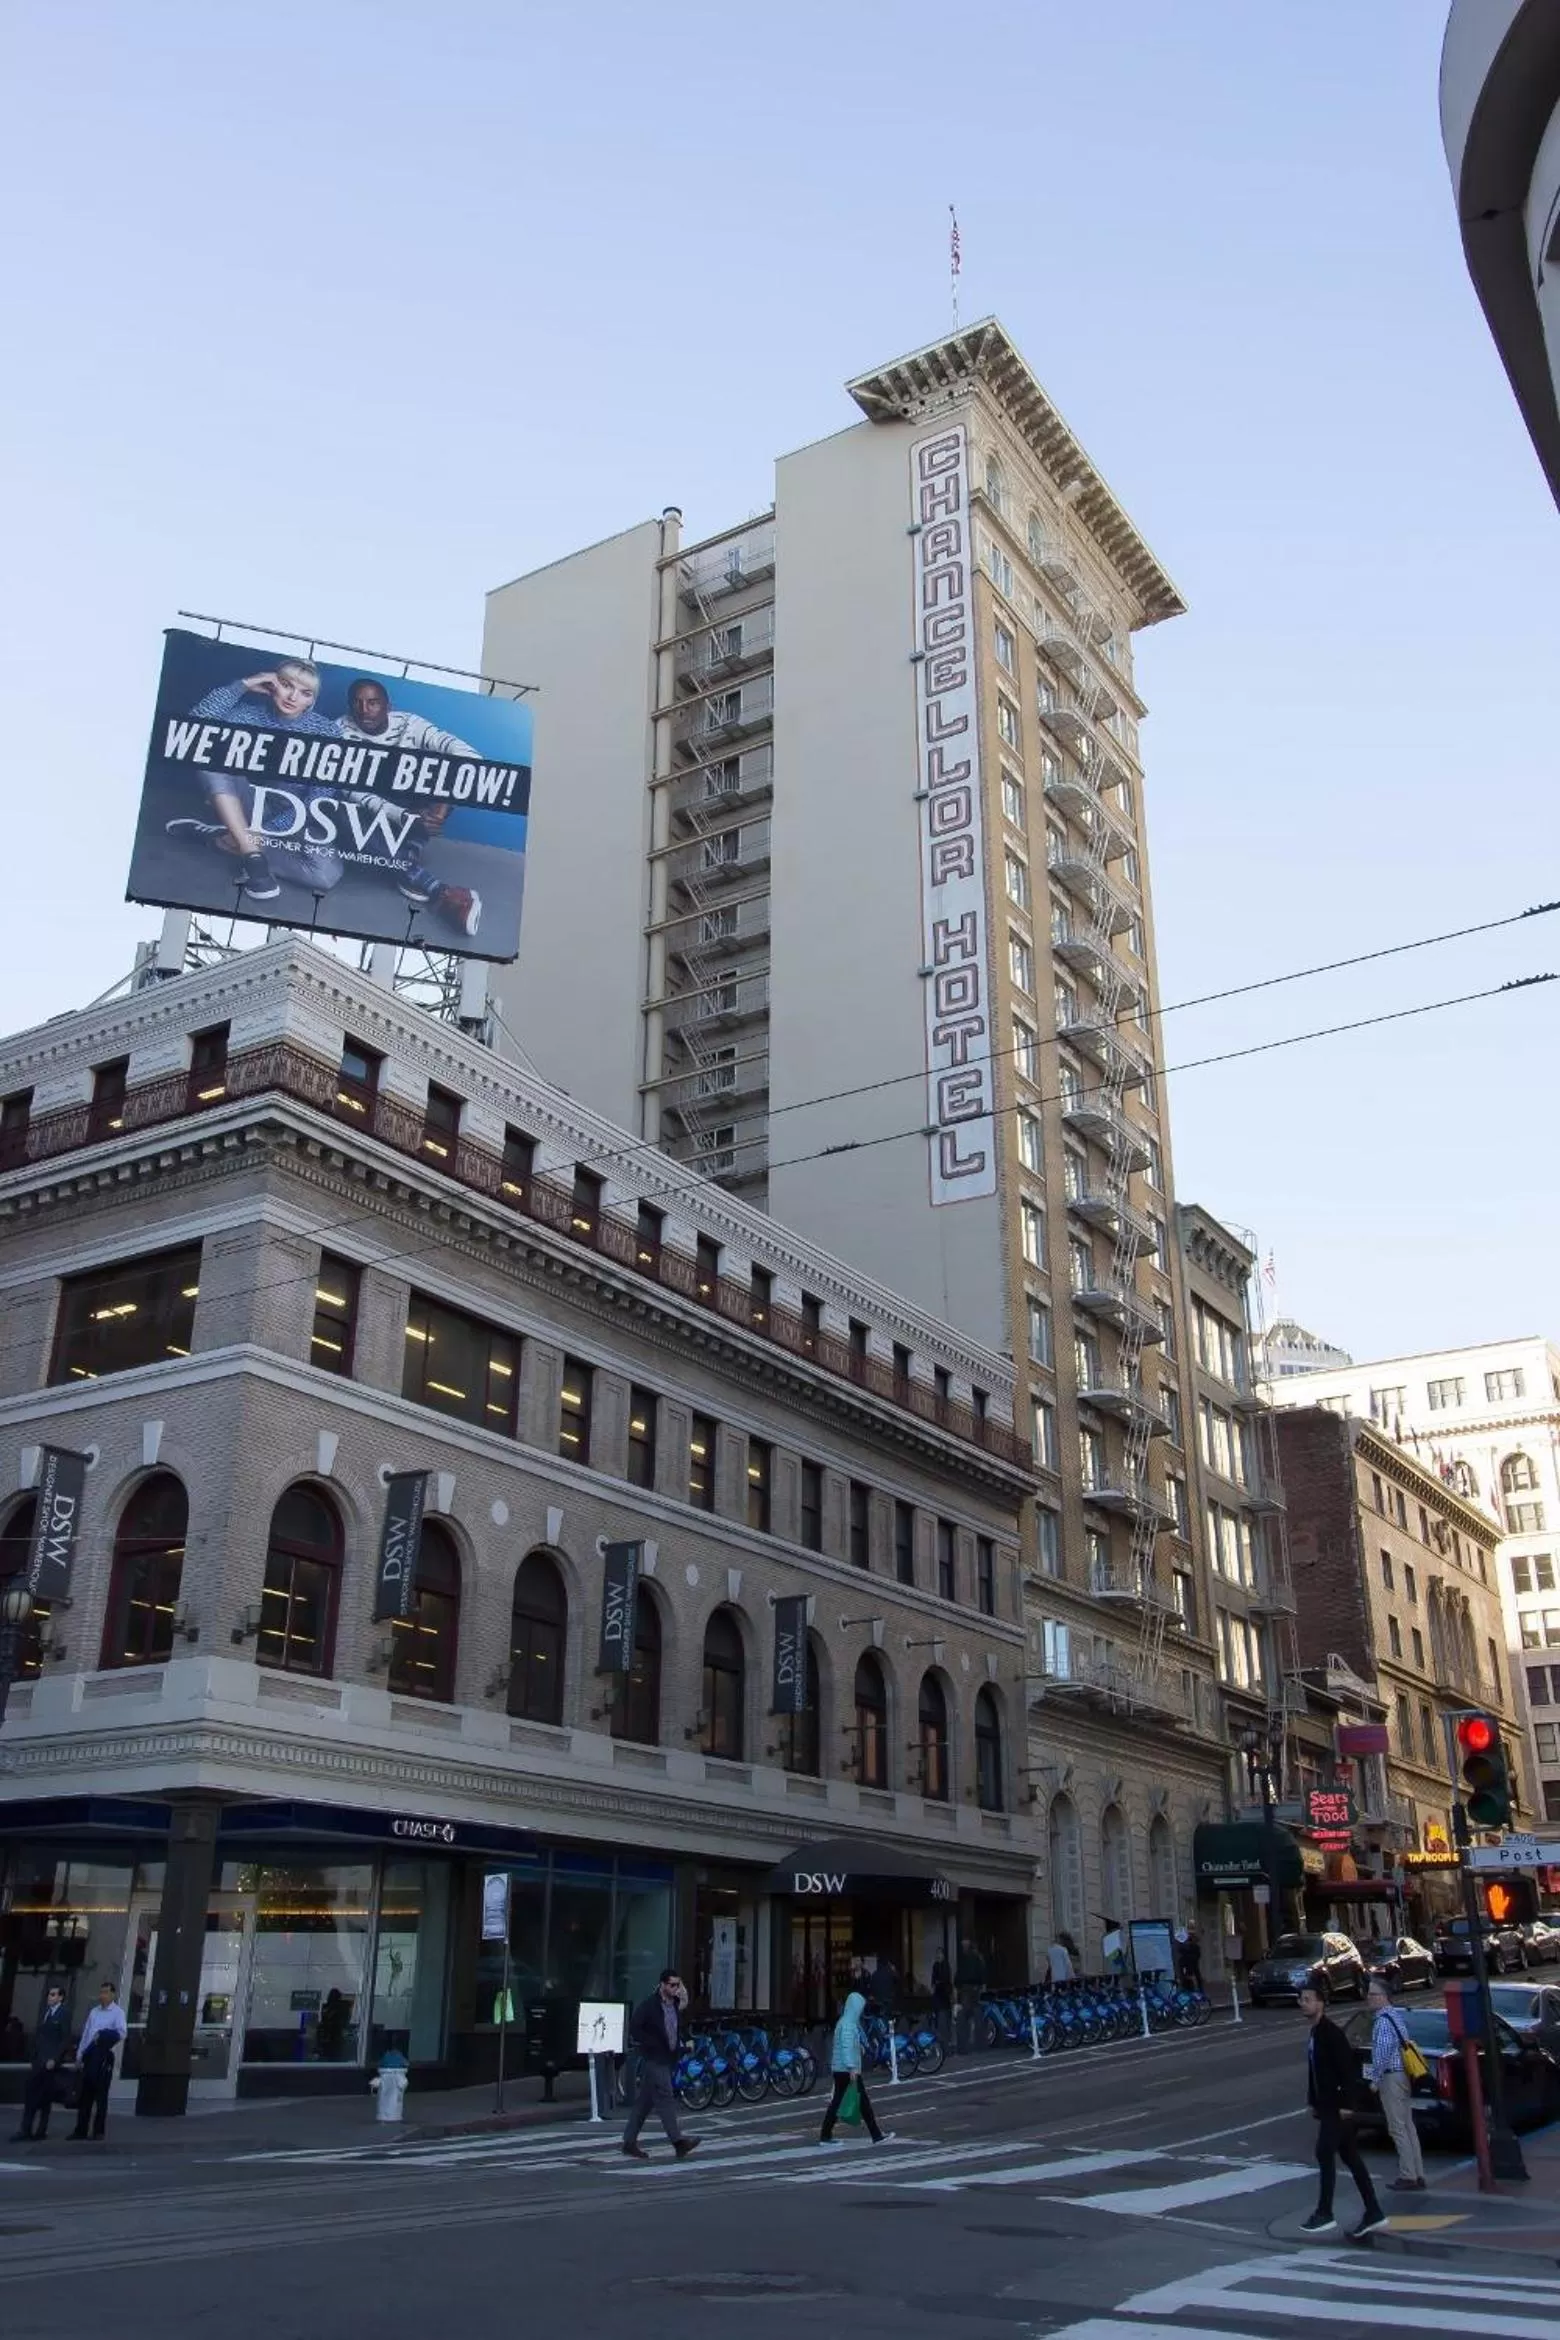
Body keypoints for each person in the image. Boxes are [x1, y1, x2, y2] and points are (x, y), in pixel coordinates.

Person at [166, 662, 342, 903]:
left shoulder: (327, 732)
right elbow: (194, 727)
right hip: (250, 804)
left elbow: (318, 798)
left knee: (324, 875)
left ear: (311, 701)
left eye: (305, 693)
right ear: (272, 685)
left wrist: (268, 831)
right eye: (286, 685)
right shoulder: (249, 715)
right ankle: (252, 858)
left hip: (297, 816)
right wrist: (244, 684)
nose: (292, 696)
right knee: (208, 753)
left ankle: (225, 838)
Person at [1298, 1982, 1386, 2238]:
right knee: (1350, 2157)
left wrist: (1348, 2105)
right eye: (1301, 1999)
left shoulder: (1331, 2034)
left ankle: (1325, 2212)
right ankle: (1374, 2211)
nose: (1303, 2003)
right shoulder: (1315, 2033)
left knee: (1324, 2151)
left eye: (1307, 1999)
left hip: (1338, 2109)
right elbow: (1316, 2073)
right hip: (1326, 2106)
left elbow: (1346, 2071)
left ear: (1320, 2003)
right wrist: (1313, 2101)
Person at [621, 1970, 699, 2161]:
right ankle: (678, 2142)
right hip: (655, 2059)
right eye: (672, 1985)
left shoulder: (675, 2005)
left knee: (644, 2103)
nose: (675, 1989)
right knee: (665, 2098)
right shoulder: (650, 2006)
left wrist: (685, 2043)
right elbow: (635, 2027)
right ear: (662, 1985)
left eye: (677, 1985)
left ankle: (629, 2142)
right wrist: (651, 2043)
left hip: (668, 2058)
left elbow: (676, 2028)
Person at [1367, 1978, 1426, 2192]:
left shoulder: (1382, 2021)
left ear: (1383, 1997)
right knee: (1408, 2126)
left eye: (1372, 1995)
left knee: (1397, 2128)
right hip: (1403, 2076)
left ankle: (1408, 2175)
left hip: (1391, 2078)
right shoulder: (1395, 2016)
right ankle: (1418, 2173)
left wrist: (1375, 2079)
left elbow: (1382, 2052)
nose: (1368, 1998)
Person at [818, 1990, 888, 2146]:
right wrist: (852, 2068)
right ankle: (875, 2135)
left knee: (849, 2101)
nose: (861, 2011)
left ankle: (875, 2134)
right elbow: (846, 2047)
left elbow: (848, 2045)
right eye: (860, 2007)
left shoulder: (844, 2022)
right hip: (846, 2069)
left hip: (841, 2068)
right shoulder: (849, 2024)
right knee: (855, 2102)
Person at [11, 1985, 70, 2143]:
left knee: (45, 2097)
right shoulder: (46, 2013)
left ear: (60, 1997)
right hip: (39, 2060)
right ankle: (26, 2129)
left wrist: (55, 2059)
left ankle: (40, 2130)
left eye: (53, 1995)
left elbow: (64, 2039)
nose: (49, 1997)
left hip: (49, 2062)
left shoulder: (63, 2013)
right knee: (32, 2095)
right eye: (49, 1994)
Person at [70, 1982, 127, 2142]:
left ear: (113, 1994)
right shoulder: (94, 2012)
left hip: (104, 2056)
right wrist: (79, 2056)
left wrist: (104, 2035)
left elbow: (121, 2033)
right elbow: (86, 2033)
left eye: (106, 1992)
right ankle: (80, 2129)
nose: (103, 1995)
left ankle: (98, 2131)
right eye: (101, 1992)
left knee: (101, 2096)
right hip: (89, 2055)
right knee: (85, 2095)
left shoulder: (117, 2013)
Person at [954, 1937, 987, 2053]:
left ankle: (964, 2047)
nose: (963, 1948)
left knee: (964, 2018)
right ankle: (980, 2045)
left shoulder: (965, 1958)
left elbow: (959, 1975)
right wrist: (982, 1985)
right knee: (976, 2016)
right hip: (974, 1988)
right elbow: (982, 1972)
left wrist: (958, 1986)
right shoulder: (977, 1957)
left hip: (967, 1989)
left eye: (964, 1946)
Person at [929, 1953, 953, 2046]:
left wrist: (938, 1983)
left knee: (945, 2014)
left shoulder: (945, 1966)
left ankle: (946, 2036)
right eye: (937, 1954)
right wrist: (934, 1985)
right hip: (939, 1993)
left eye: (940, 1954)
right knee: (939, 2014)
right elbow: (933, 1977)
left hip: (944, 1993)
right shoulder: (936, 1965)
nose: (938, 1956)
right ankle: (940, 2034)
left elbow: (946, 1979)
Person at [1178, 1927, 1203, 1992]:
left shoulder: (1194, 1947)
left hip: (1192, 1964)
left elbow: (1197, 1955)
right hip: (1188, 1964)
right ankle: (1189, 1988)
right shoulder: (1184, 1947)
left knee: (1195, 1976)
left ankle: (1196, 1989)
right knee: (1188, 1976)